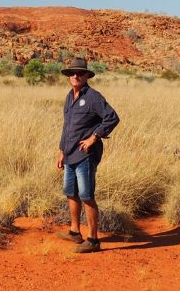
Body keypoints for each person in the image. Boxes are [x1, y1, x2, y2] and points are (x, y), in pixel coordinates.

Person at [55, 57, 120, 253]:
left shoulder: (93, 97)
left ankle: (93, 241)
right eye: (72, 73)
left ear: (86, 76)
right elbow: (67, 127)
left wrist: (94, 138)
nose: (75, 76)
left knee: (86, 196)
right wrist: (61, 151)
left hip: (85, 155)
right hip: (69, 154)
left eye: (80, 73)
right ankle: (75, 232)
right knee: (70, 193)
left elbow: (112, 118)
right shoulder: (69, 96)